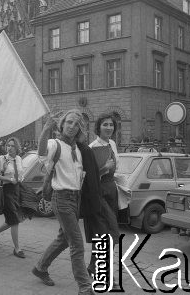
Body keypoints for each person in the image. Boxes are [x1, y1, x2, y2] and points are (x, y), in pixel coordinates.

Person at [31, 110, 94, 295]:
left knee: (63, 239)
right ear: (62, 124)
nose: (72, 126)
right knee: (77, 243)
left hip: (76, 198)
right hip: (62, 198)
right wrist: (46, 129)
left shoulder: (78, 149)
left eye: (76, 124)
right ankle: (84, 287)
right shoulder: (55, 143)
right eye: (69, 122)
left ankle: (40, 267)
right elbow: (41, 154)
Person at [88, 113, 121, 275]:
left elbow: (116, 167)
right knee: (107, 232)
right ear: (98, 127)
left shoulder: (113, 143)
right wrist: (104, 168)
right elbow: (88, 176)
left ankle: (94, 267)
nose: (109, 128)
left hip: (111, 191)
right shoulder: (93, 147)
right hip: (99, 191)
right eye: (105, 125)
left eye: (111, 125)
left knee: (105, 232)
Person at [0, 137, 25, 258]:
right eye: (8, 145)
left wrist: (19, 179)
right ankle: (17, 248)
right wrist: (8, 178)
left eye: (12, 146)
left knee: (13, 219)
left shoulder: (19, 159)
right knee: (14, 220)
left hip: (17, 191)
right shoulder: (1, 159)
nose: (9, 148)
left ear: (17, 148)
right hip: (6, 191)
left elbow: (21, 174)